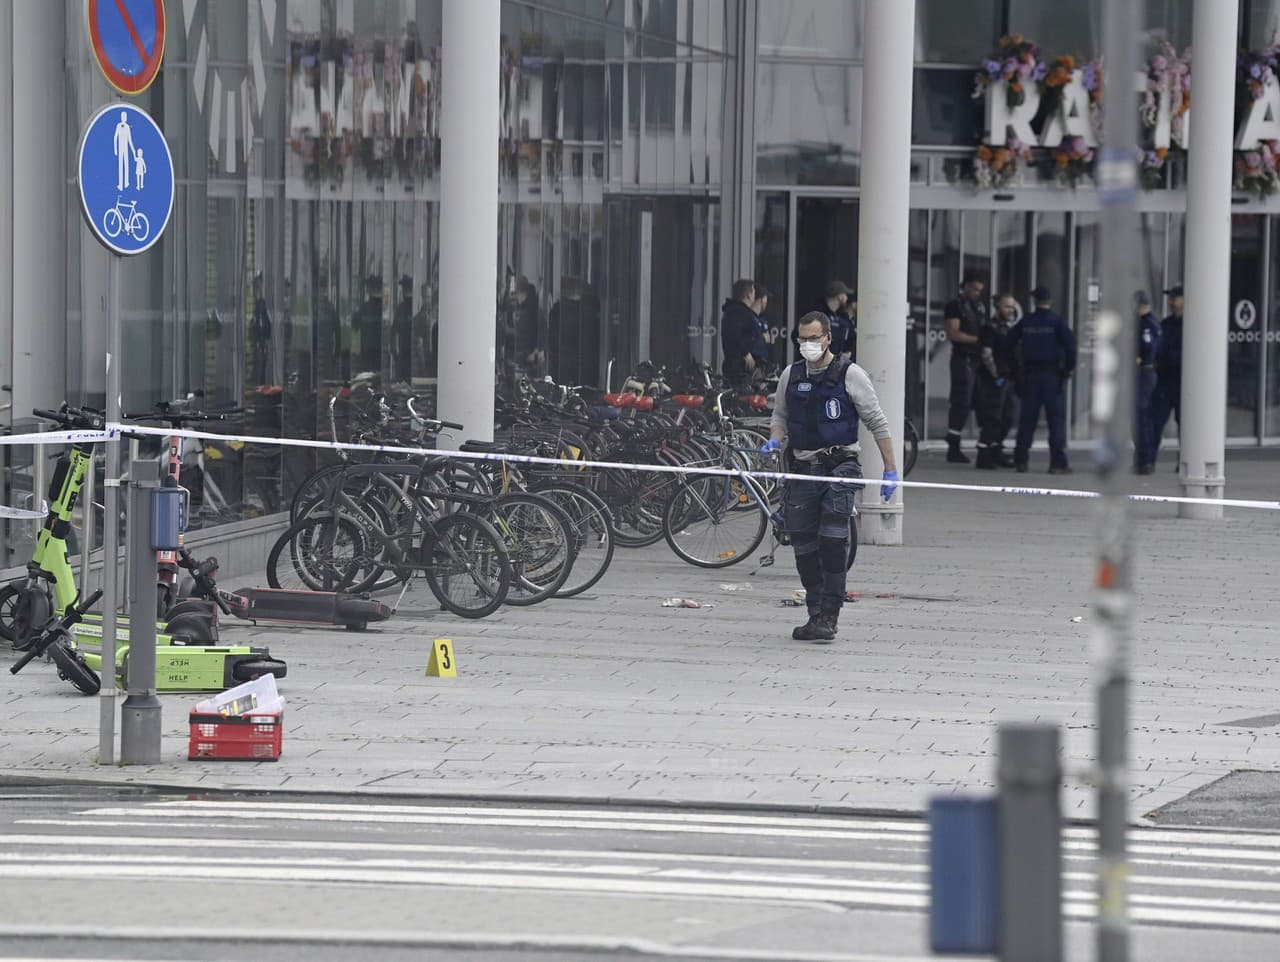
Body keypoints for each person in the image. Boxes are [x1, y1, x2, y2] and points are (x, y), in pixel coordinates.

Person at [761, 311, 898, 643]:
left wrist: (890, 470)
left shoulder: (851, 375)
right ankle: (814, 612)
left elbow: (877, 423)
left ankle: (829, 616)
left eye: (813, 338)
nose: (807, 345)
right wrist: (775, 438)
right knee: (804, 546)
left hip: (839, 467)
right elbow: (780, 414)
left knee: (833, 540)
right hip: (803, 470)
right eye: (802, 339)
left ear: (828, 339)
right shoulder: (790, 376)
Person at [1008, 286, 1077, 474]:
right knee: (1055, 419)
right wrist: (1066, 370)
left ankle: (1021, 461)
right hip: (1051, 377)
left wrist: (1015, 370)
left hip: (1030, 375)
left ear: (1034, 301)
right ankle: (1057, 463)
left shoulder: (1026, 322)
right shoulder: (1057, 322)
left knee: (1027, 419)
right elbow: (1071, 348)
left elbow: (1008, 344)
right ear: (1050, 301)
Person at [943, 270, 989, 463]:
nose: (977, 293)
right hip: (963, 359)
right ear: (967, 286)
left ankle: (985, 448)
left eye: (980, 290)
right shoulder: (955, 306)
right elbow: (953, 333)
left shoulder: (979, 306)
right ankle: (953, 446)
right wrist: (978, 340)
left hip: (978, 360)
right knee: (961, 401)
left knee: (981, 402)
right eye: (975, 289)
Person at [973, 292, 1018, 469]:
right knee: (992, 418)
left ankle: (995, 450)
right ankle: (983, 455)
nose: (1011, 310)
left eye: (1012, 306)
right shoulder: (990, 328)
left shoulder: (1005, 328)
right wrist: (996, 376)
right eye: (1007, 306)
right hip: (994, 381)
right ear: (998, 307)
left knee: (1007, 418)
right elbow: (986, 354)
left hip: (1006, 379)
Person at [1149, 284, 1184, 467]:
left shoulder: (1193, 325)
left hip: (1184, 382)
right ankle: (1148, 461)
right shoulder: (1166, 324)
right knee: (1155, 422)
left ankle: (1186, 462)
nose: (1170, 302)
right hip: (1165, 380)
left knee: (1185, 426)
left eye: (1174, 299)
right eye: (1170, 299)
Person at [1133, 291, 1162, 474]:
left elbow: (1148, 349)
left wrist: (1139, 361)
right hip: (1147, 373)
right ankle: (1142, 459)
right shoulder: (1151, 323)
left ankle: (1145, 460)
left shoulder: (1145, 325)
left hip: (1144, 374)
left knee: (1142, 417)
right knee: (1141, 418)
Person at [719, 278, 759, 385]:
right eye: (754, 292)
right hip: (739, 366)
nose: (755, 296)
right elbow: (734, 333)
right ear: (749, 294)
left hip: (734, 363)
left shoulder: (732, 311)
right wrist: (745, 352)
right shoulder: (739, 312)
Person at [354, 274, 383, 376]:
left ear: (369, 290)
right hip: (381, 356)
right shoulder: (385, 310)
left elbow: (354, 328)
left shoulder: (363, 308)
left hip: (366, 355)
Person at [392, 275, 415, 382]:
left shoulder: (402, 309)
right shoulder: (404, 309)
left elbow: (393, 333)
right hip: (406, 356)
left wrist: (396, 355)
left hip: (406, 356)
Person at [251, 273, 272, 386]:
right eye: (257, 288)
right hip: (258, 345)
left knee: (261, 373)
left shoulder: (261, 305)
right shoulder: (257, 305)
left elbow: (266, 326)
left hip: (261, 344)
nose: (258, 291)